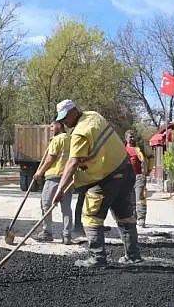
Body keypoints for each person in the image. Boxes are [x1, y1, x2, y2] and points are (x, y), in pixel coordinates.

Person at [52, 99, 142, 268]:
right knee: (124, 215)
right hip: (125, 171)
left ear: (74, 112)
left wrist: (60, 190)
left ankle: (97, 258)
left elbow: (72, 163)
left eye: (65, 118)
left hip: (106, 178)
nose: (64, 122)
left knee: (91, 216)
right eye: (61, 119)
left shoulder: (79, 133)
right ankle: (133, 255)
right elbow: (99, 147)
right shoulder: (94, 116)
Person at [32, 121, 75, 245]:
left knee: (46, 205)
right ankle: (67, 236)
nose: (51, 129)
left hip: (53, 177)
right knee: (66, 208)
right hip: (67, 178)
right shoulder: (72, 139)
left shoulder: (57, 140)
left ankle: (47, 233)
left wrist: (40, 172)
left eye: (52, 126)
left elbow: (50, 159)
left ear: (59, 125)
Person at [125, 130, 153, 228]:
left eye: (133, 137)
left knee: (140, 197)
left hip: (139, 176)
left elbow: (151, 156)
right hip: (127, 178)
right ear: (126, 138)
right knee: (130, 198)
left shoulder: (141, 148)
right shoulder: (122, 149)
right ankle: (133, 217)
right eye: (130, 137)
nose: (132, 138)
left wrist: (149, 169)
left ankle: (141, 219)